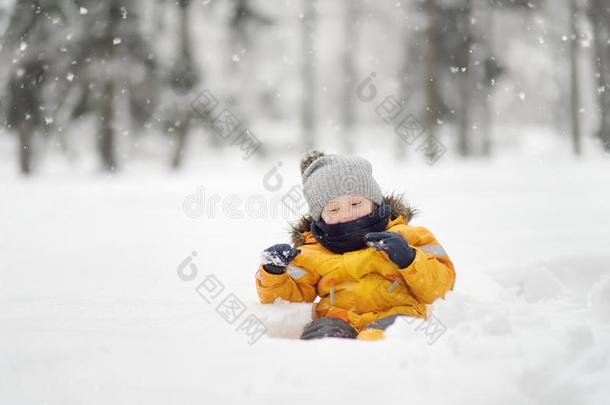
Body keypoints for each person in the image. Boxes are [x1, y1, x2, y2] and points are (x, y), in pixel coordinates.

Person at [255, 150, 456, 340]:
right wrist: (274, 274)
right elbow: (288, 300)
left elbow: (441, 289)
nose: (347, 214)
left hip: (398, 317)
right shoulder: (311, 252)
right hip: (337, 321)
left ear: (374, 202)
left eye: (355, 204)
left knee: (382, 340)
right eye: (333, 209)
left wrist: (410, 259)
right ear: (319, 218)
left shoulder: (410, 236)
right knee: (322, 343)